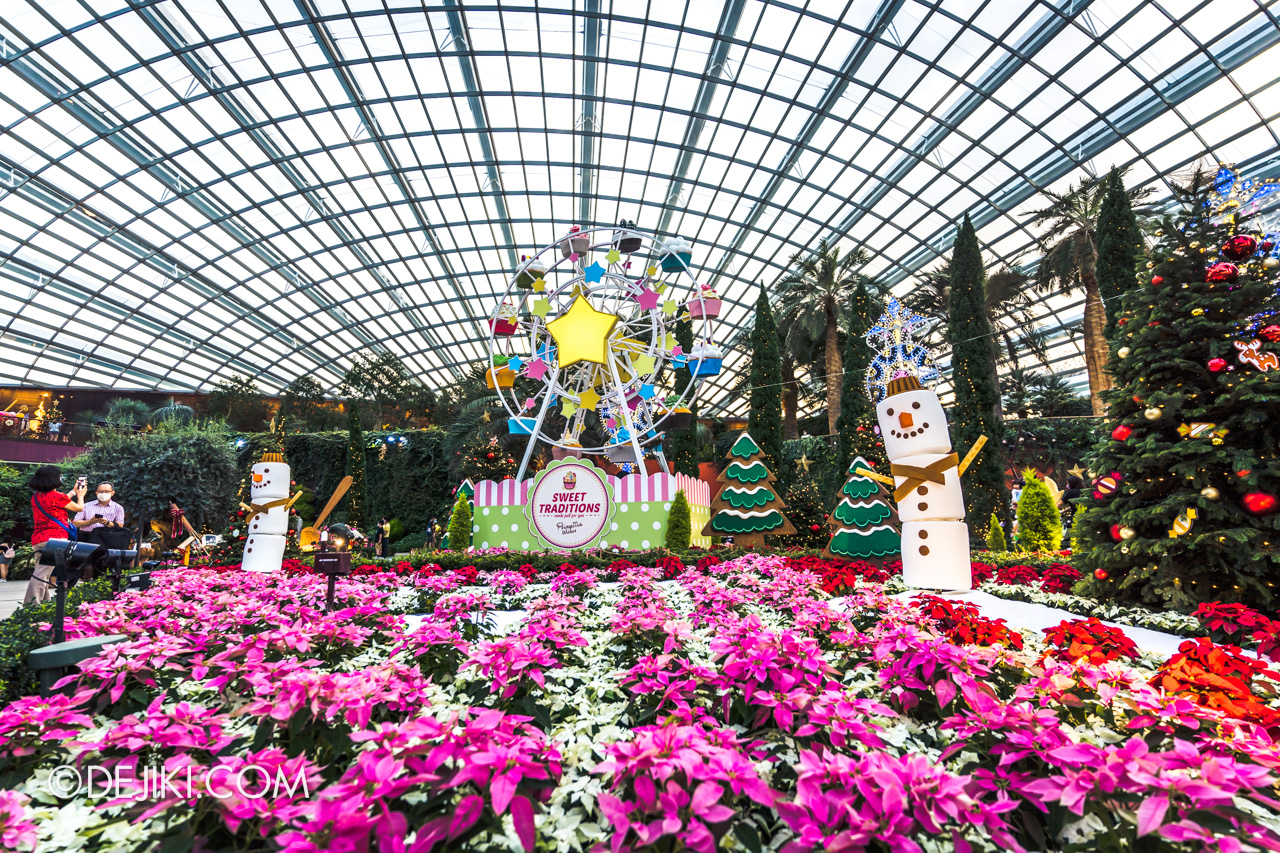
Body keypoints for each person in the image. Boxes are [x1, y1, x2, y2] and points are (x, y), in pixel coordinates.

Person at [24, 465, 87, 605]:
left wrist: (73, 491)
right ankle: (31, 604)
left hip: (39, 539)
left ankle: (44, 601)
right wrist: (80, 496)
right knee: (42, 573)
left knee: (42, 570)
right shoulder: (57, 497)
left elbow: (60, 501)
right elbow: (79, 507)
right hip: (55, 539)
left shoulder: (36, 497)